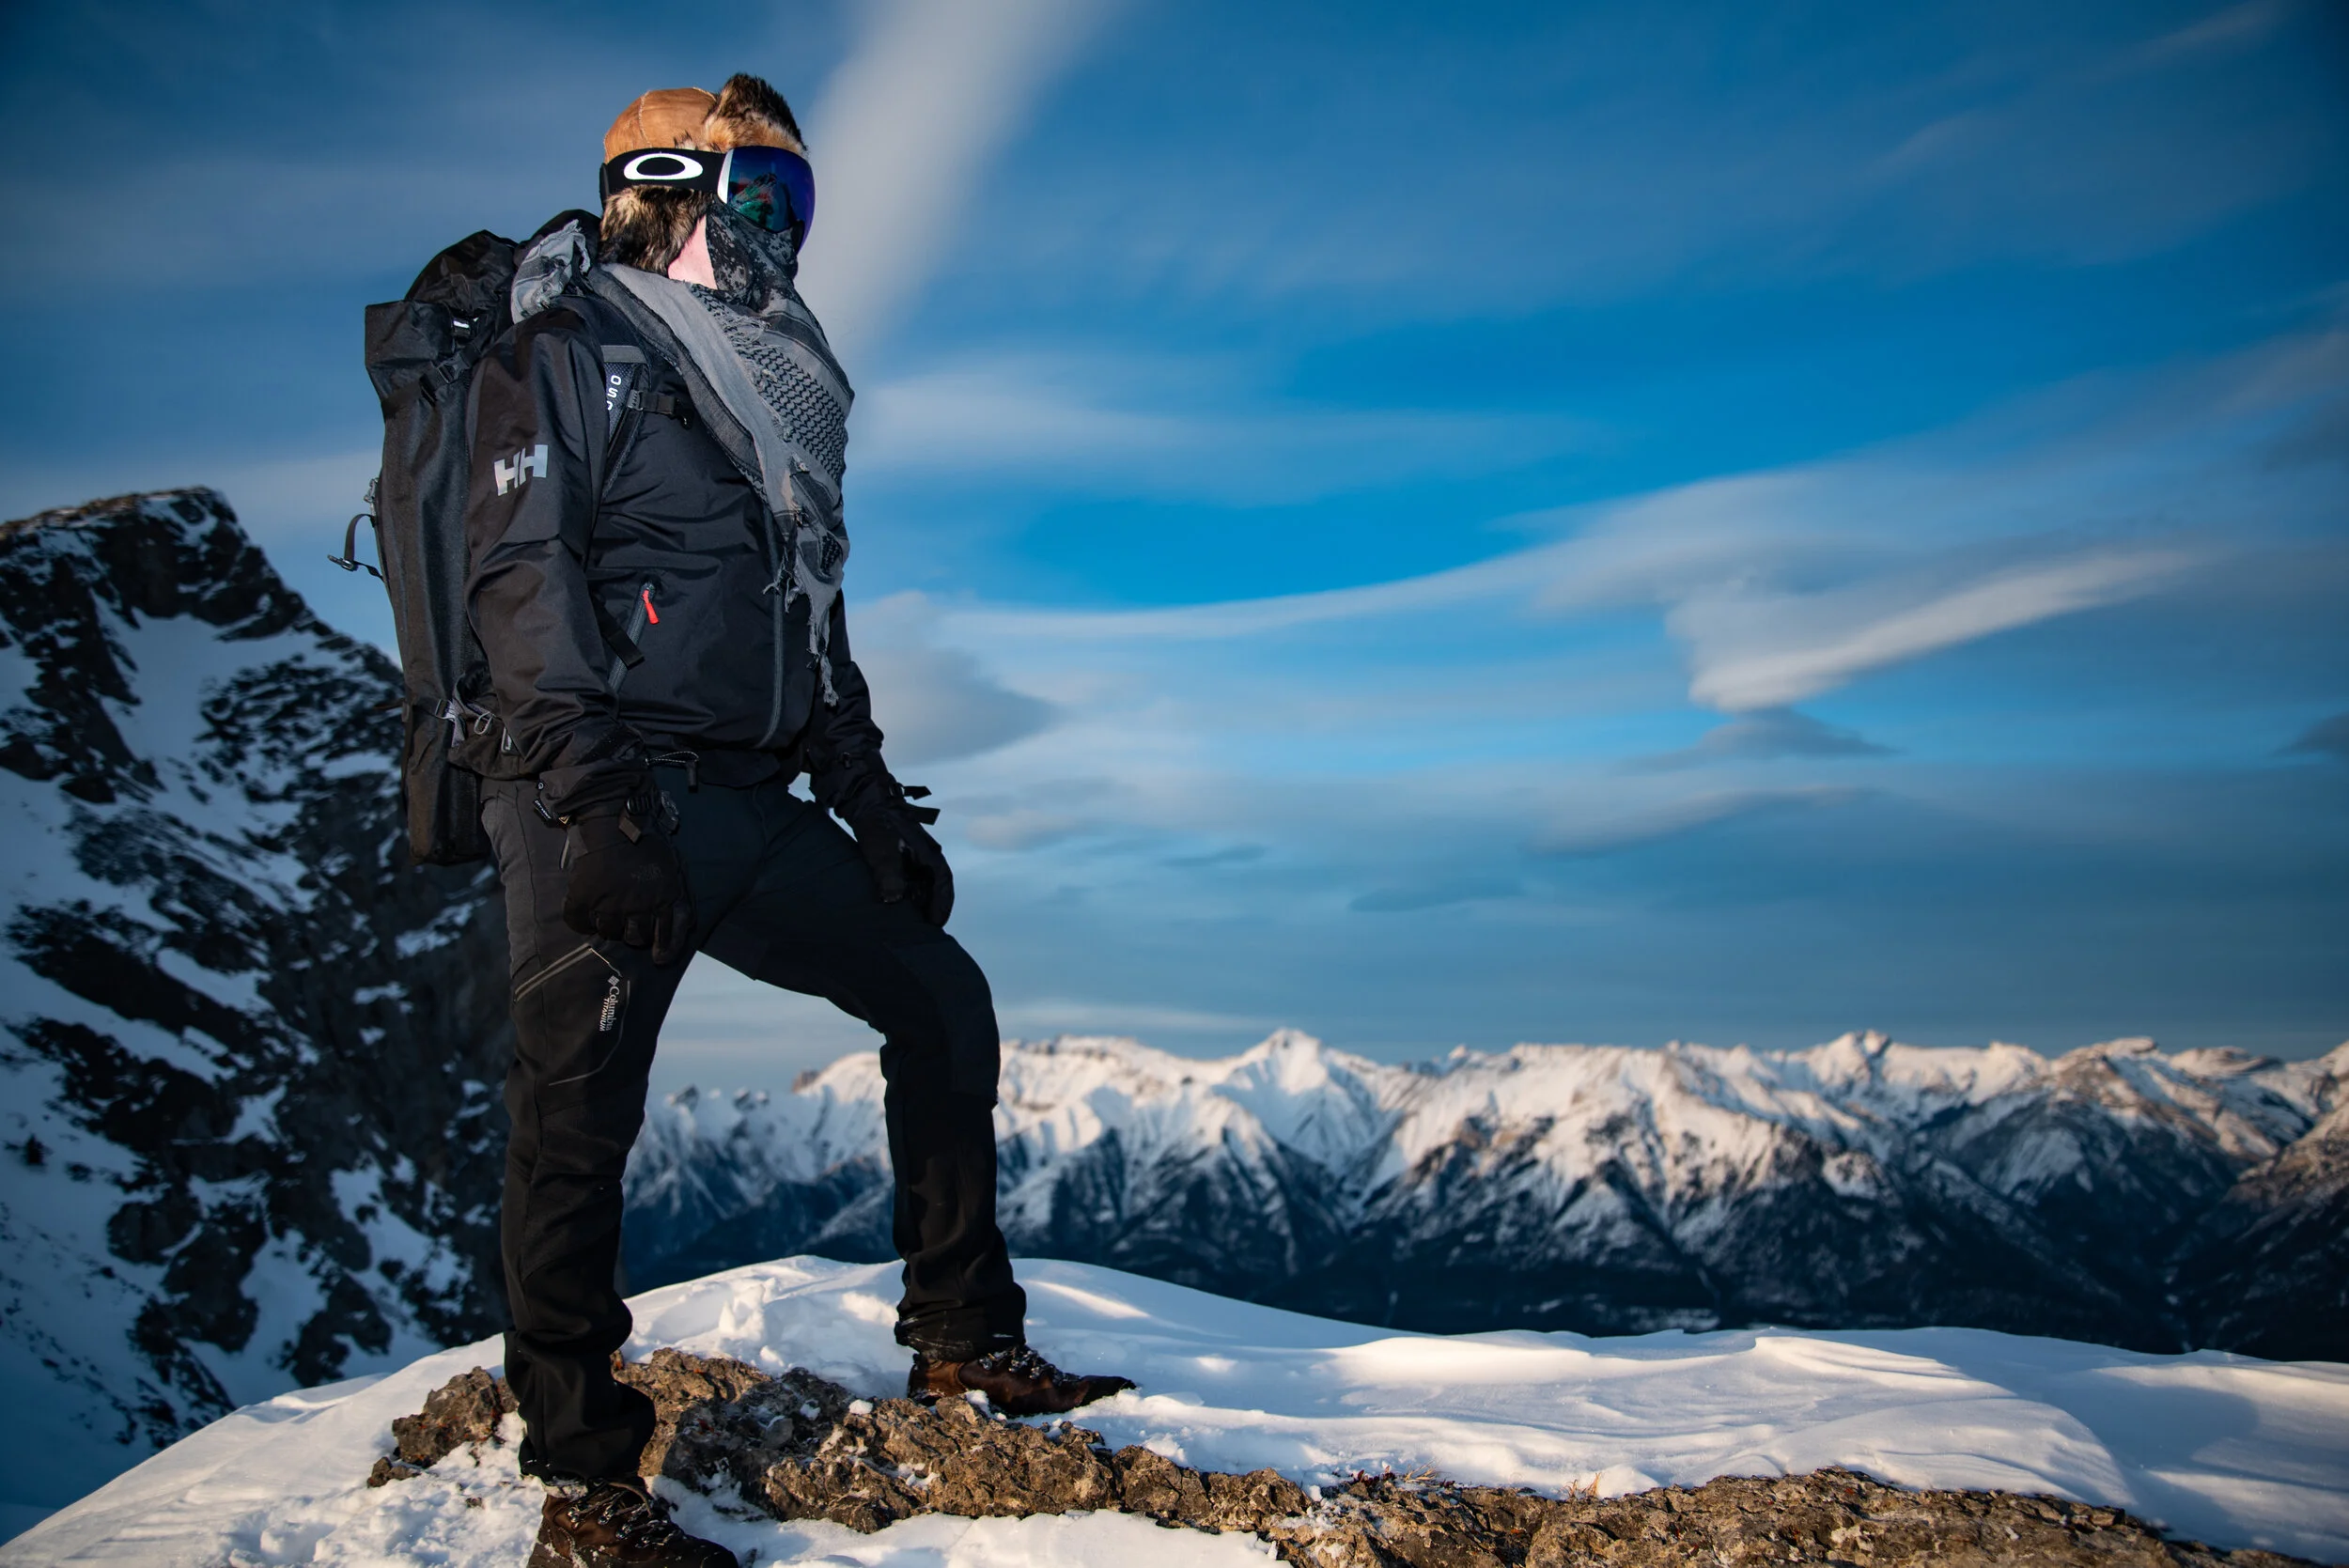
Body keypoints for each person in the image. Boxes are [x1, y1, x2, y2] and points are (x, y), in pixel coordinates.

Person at [466, 75, 1132, 1568]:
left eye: (799, 204)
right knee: (576, 1122)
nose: (782, 233)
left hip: (751, 799)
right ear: (670, 187)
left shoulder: (776, 392)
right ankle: (583, 1486)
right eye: (756, 196)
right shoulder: (563, 351)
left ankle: (963, 1341)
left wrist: (874, 805)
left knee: (939, 1000)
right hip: (601, 798)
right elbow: (522, 587)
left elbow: (808, 627)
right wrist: (593, 806)